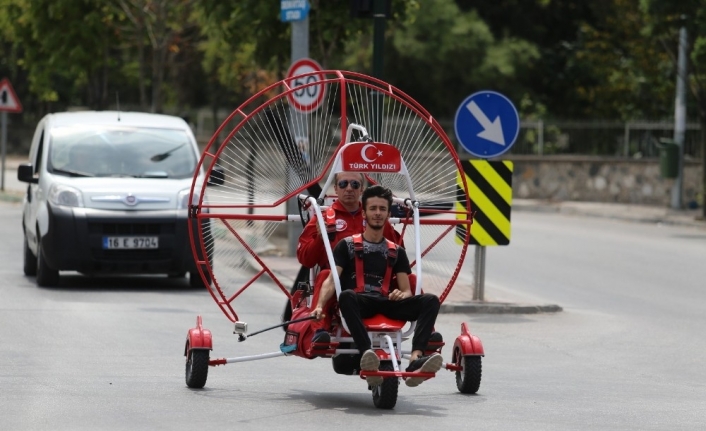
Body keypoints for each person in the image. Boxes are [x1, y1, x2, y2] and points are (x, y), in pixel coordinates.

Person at [311, 185, 443, 387]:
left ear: (389, 214)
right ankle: (367, 355)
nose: (378, 213)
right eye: (373, 209)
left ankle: (415, 359)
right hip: (359, 301)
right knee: (345, 295)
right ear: (364, 213)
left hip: (386, 302)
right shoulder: (345, 246)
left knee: (431, 300)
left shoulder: (396, 251)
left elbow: (407, 289)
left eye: (382, 209)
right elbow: (331, 280)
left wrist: (402, 293)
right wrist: (320, 304)